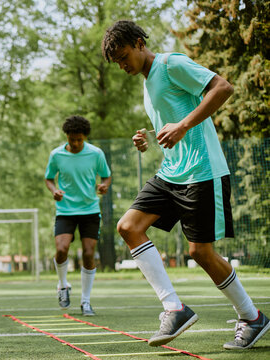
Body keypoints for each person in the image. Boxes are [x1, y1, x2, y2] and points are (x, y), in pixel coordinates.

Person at [101, 20, 269, 349]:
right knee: (129, 227)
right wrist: (148, 138)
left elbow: (222, 87)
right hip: (171, 172)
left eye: (124, 57)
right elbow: (174, 120)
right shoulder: (147, 83)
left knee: (200, 253)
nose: (123, 66)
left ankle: (252, 317)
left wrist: (181, 125)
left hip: (203, 172)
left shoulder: (170, 63)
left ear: (139, 43)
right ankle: (174, 308)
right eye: (117, 63)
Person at [45, 115, 111, 316]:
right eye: (71, 139)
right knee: (61, 249)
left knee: (89, 253)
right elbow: (49, 179)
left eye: (79, 140)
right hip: (65, 210)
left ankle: (86, 301)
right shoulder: (56, 155)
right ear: (66, 136)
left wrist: (104, 186)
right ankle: (63, 285)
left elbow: (106, 176)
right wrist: (54, 191)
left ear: (85, 138)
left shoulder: (96, 153)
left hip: (90, 210)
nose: (75, 143)